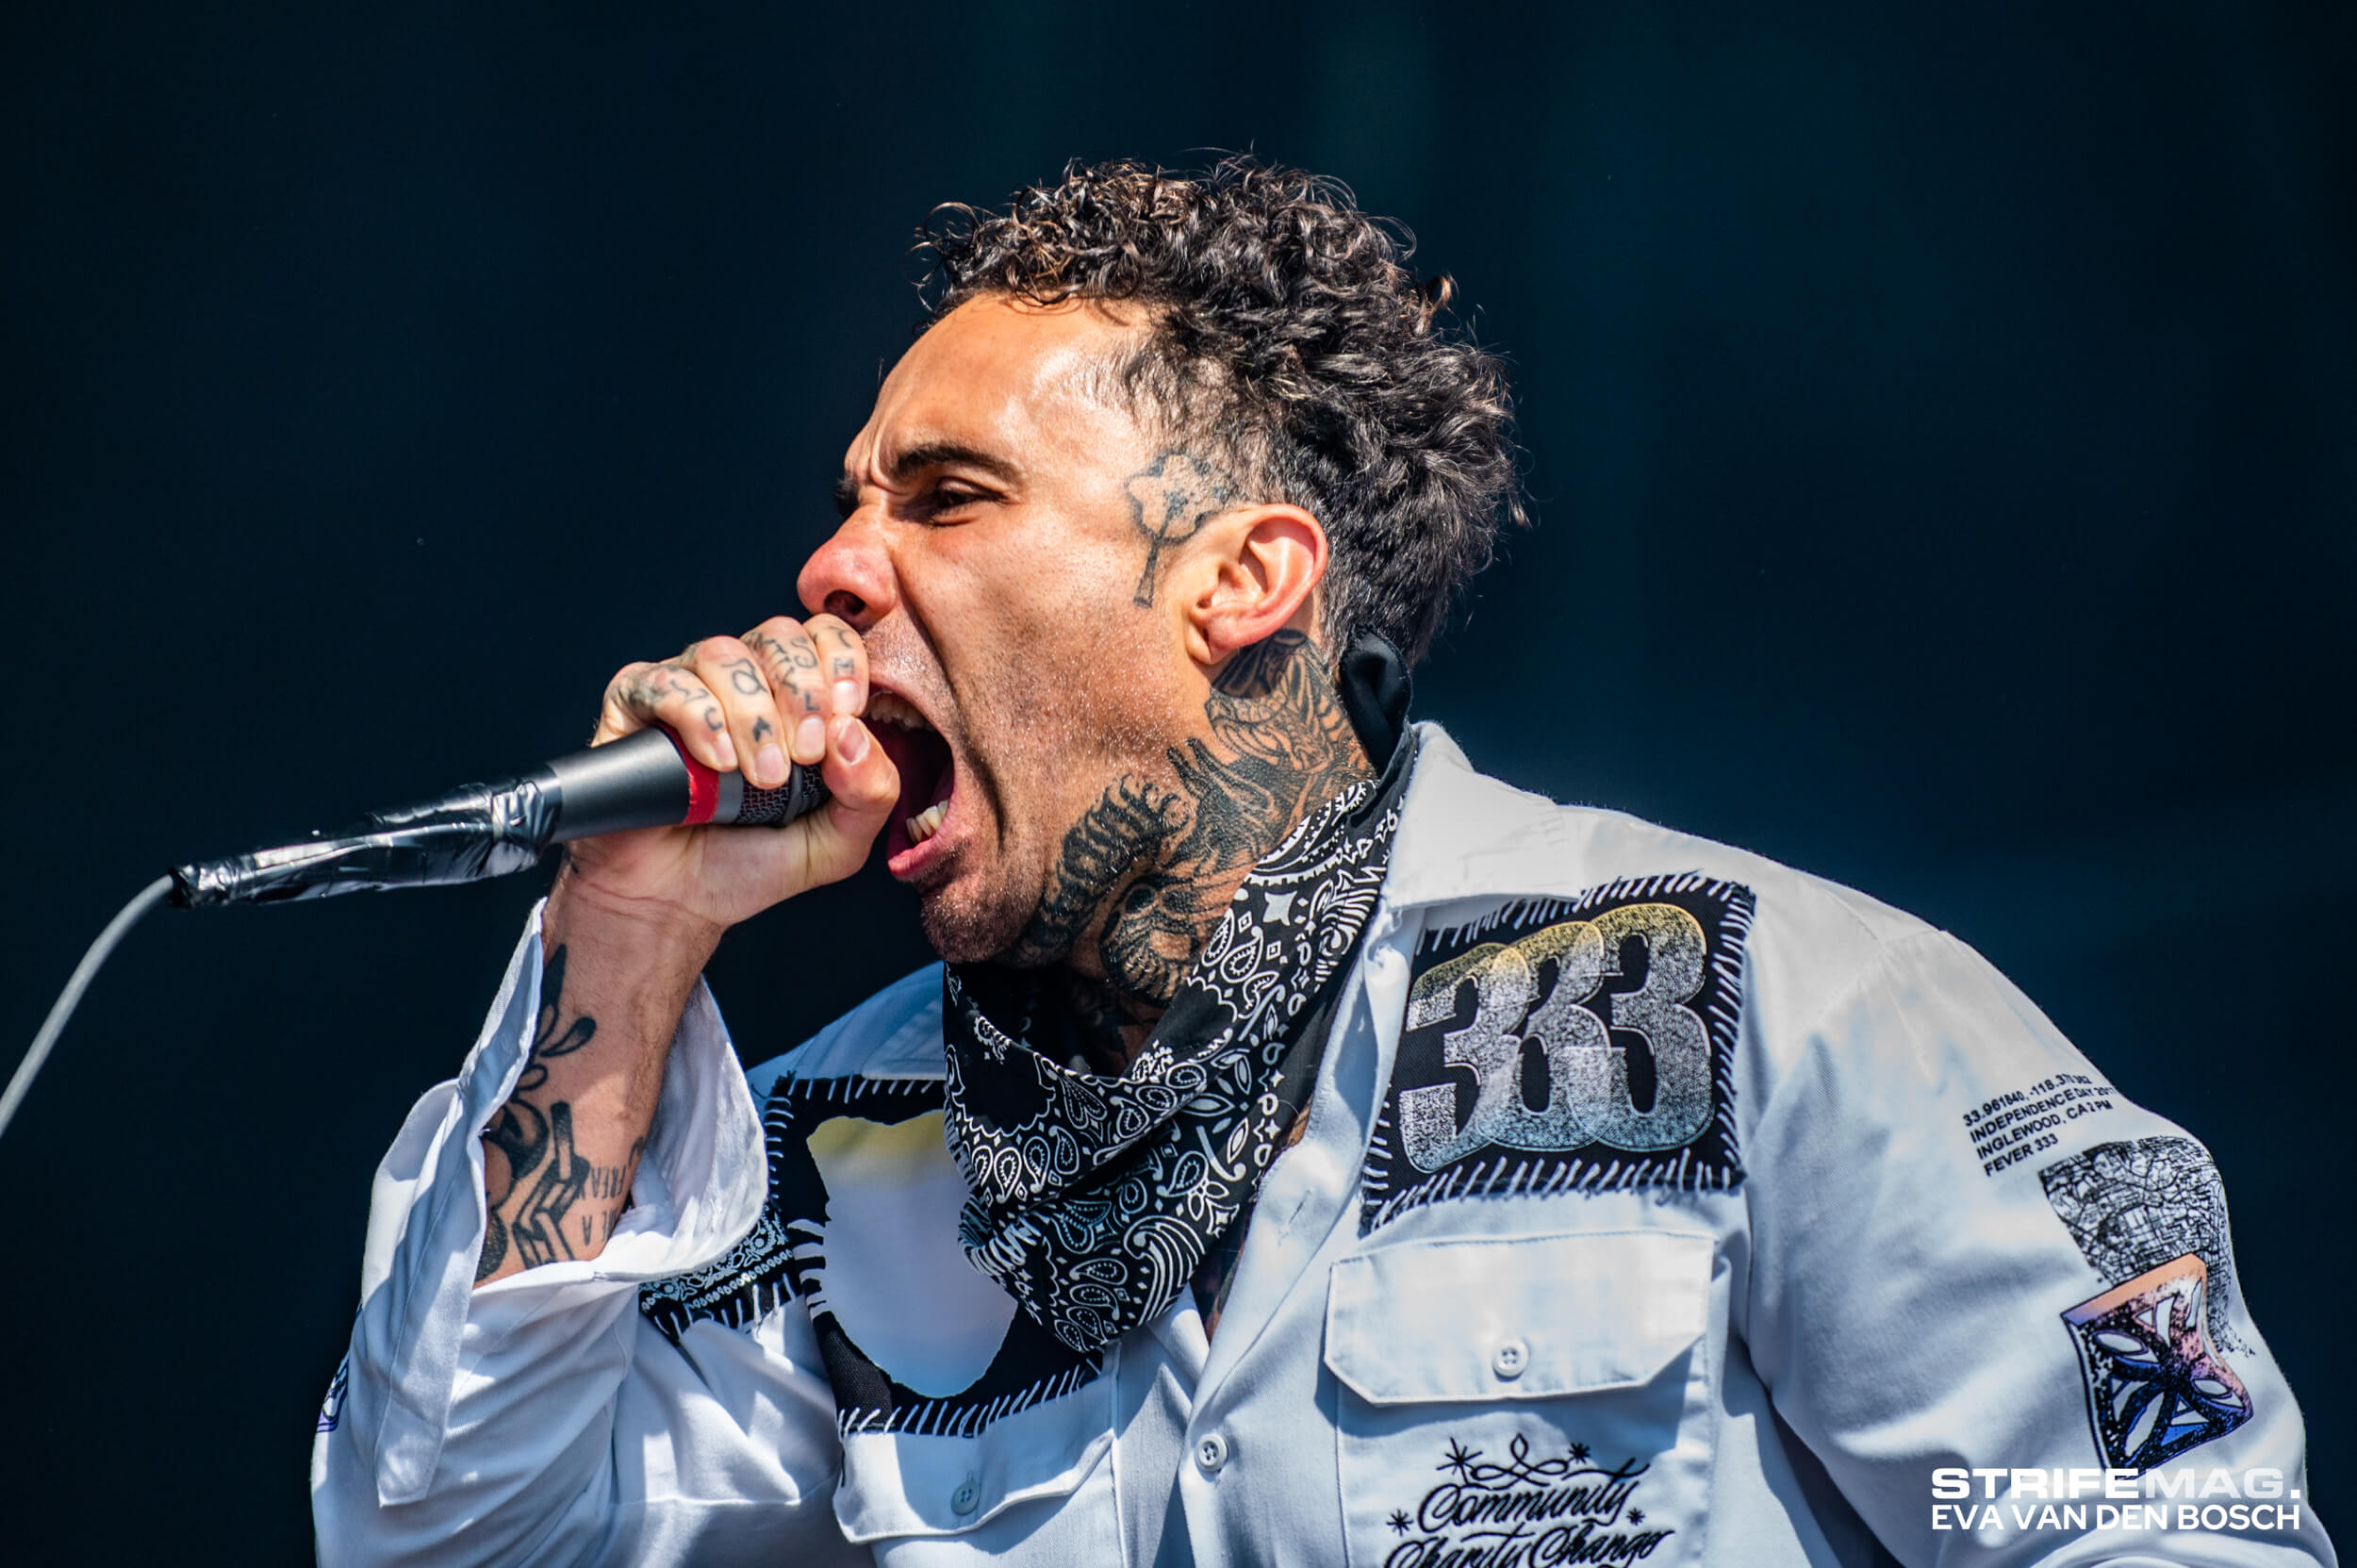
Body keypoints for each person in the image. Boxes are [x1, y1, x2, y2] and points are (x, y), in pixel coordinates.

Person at [312, 158, 2331, 1567]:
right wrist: (627, 927)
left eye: (946, 496)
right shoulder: (844, 1148)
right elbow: (444, 1541)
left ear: (1240, 580)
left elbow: (2168, 1530)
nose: (832, 570)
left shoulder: (1767, 1002)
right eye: (850, 505)